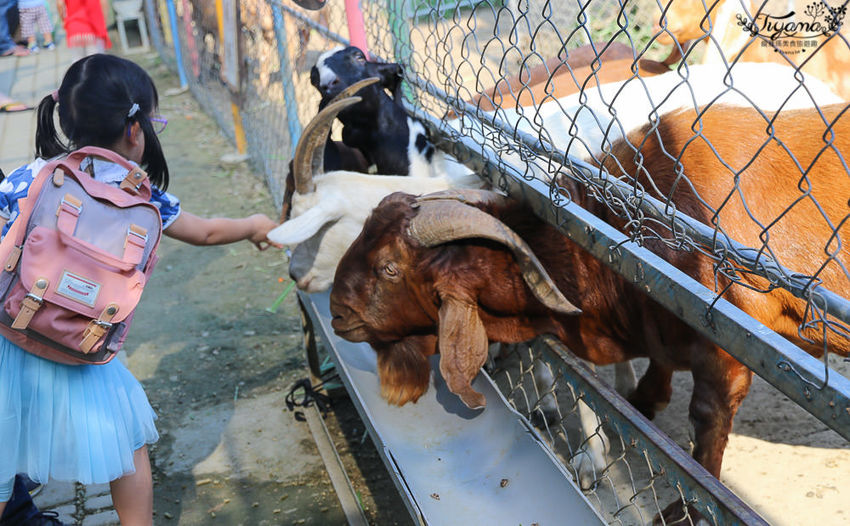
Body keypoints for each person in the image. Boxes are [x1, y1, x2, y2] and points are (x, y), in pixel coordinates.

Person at [0, 54, 281, 525]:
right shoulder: (142, 193)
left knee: (5, 444)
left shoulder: (31, 177)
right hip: (85, 349)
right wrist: (253, 223)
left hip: (14, 337)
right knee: (127, 445)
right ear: (135, 130)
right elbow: (205, 231)